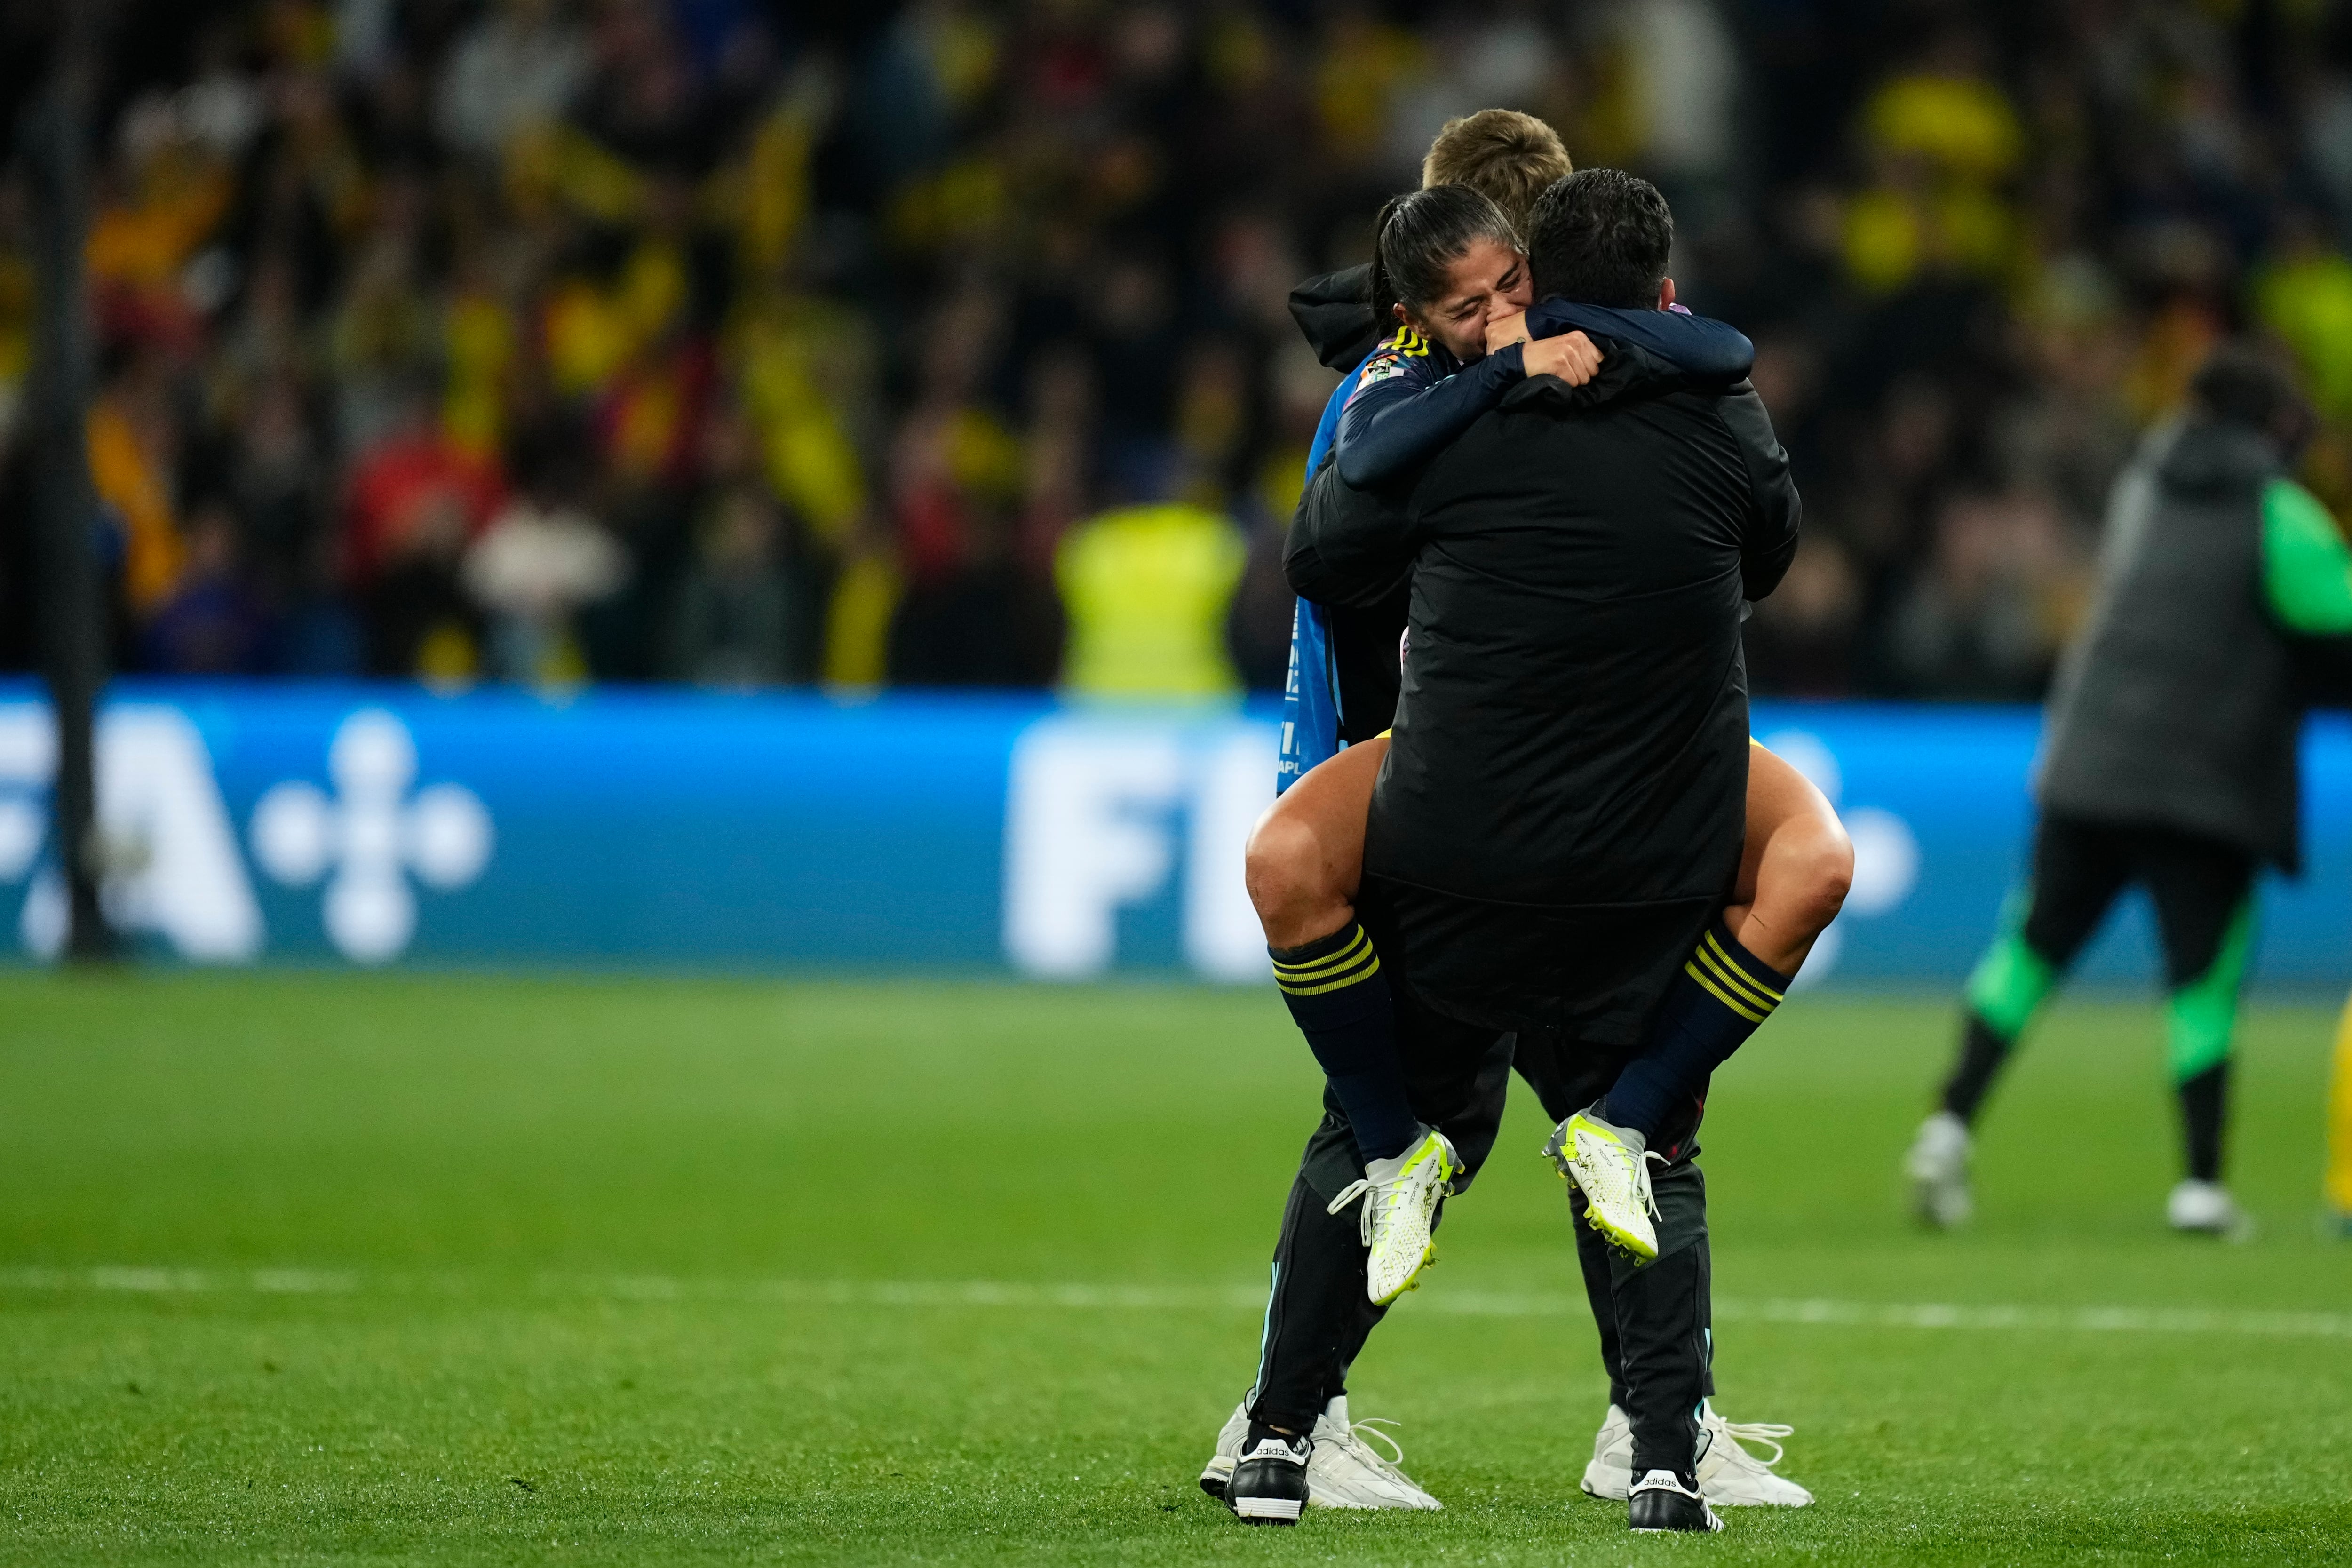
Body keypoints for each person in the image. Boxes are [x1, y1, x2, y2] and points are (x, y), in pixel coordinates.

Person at [1220, 168, 1802, 1534]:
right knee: (1641, 1122)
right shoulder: (1713, 414)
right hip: (1634, 840)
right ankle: (1662, 1448)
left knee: (1385, 1121)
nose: (1500, 318)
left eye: (1514, 292)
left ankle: (1281, 1432)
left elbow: (1330, 548)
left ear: (1544, 280)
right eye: (1471, 304)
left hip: (1455, 831)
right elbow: (1767, 533)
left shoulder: (1430, 422)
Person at [1907, 345, 2352, 1237]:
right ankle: (2200, 1185)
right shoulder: (2280, 513)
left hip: (2090, 765)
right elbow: (2334, 614)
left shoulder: (2143, 488)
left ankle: (1948, 1124)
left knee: (2031, 949)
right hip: (2204, 787)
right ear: (2275, 427)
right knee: (2202, 983)